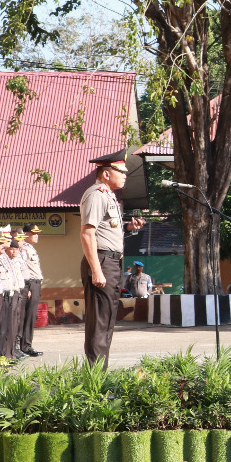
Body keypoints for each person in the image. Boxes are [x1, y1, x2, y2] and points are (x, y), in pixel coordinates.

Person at [79, 150, 145, 364]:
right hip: (102, 261)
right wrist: (96, 269)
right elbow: (87, 233)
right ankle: (95, 379)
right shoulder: (96, 194)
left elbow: (106, 229)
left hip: (112, 262)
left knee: (107, 320)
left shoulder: (109, 196)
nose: (125, 175)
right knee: (99, 321)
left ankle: (100, 375)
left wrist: (128, 227)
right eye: (121, 171)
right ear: (107, 173)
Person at [16, 225, 44, 357]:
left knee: (31, 316)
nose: (36, 236)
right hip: (30, 284)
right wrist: (26, 287)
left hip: (35, 283)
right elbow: (21, 269)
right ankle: (24, 346)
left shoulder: (30, 248)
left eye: (37, 233)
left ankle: (27, 344)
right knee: (26, 316)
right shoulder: (23, 249)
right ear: (26, 234)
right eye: (33, 233)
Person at [5, 240, 28, 358]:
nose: (14, 251)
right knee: (9, 324)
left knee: (16, 322)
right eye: (12, 248)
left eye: (16, 249)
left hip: (17, 292)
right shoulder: (4, 261)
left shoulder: (15, 261)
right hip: (7, 294)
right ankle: (6, 353)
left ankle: (13, 349)